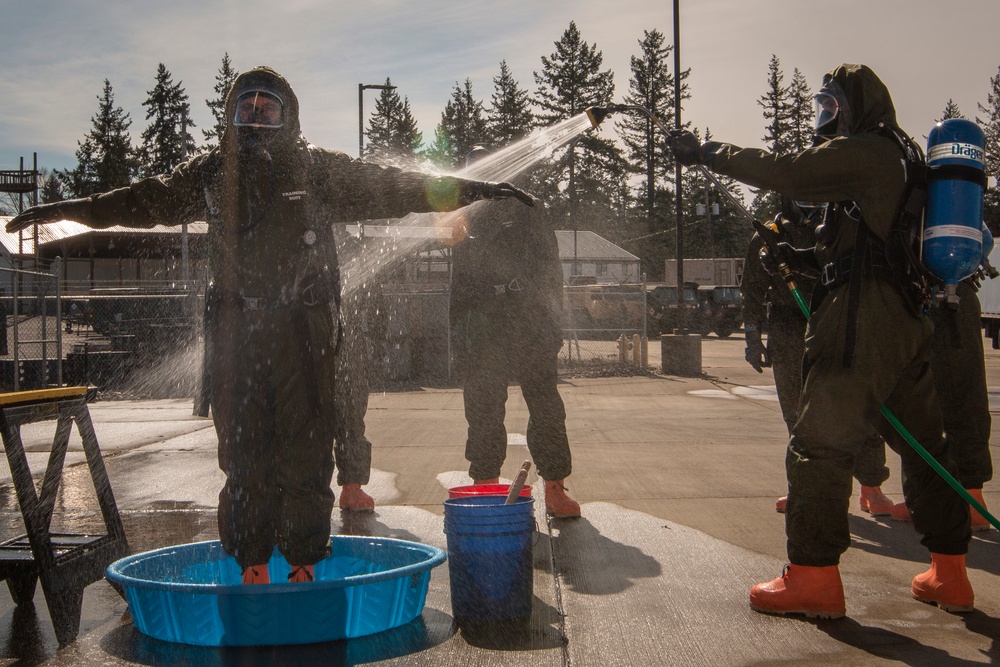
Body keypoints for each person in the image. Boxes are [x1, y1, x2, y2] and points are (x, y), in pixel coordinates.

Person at [7, 67, 535, 584]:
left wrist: (477, 187)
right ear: (231, 116)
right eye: (246, 106)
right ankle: (251, 564)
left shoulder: (316, 170)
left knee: (306, 449)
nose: (256, 116)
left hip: (303, 335)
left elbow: (398, 186)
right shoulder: (212, 173)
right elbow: (140, 201)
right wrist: (65, 210)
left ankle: (304, 560)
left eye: (268, 107)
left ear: (290, 117)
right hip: (237, 332)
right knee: (242, 454)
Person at [669, 63, 973, 617]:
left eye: (831, 107)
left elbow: (786, 171)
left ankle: (812, 578)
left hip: (862, 317)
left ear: (858, 106)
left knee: (818, 441)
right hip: (904, 318)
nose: (823, 119)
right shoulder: (902, 158)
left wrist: (707, 150)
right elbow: (872, 241)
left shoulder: (867, 150)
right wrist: (803, 257)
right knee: (928, 446)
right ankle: (950, 574)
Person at [450, 146, 580, 518]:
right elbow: (458, 283)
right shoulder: (464, 215)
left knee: (546, 405)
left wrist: (554, 324)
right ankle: (486, 483)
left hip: (530, 320)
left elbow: (551, 270)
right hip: (483, 325)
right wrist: (457, 335)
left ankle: (554, 486)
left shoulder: (528, 207)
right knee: (482, 406)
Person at [742, 200, 895, 516]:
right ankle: (802, 486)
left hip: (838, 319)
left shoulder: (844, 226)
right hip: (787, 325)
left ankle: (871, 485)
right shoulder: (769, 235)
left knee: (859, 403)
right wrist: (752, 334)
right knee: (796, 411)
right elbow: (753, 290)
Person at [890, 279, 993, 530]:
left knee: (959, 397)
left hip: (943, 296)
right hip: (924, 293)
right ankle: (926, 499)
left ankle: (970, 500)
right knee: (918, 403)